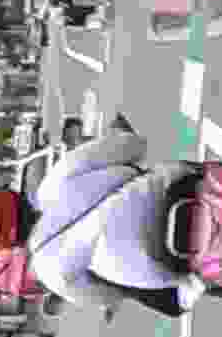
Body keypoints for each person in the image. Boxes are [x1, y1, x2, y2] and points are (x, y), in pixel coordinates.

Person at [20, 114, 190, 322]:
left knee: (167, 297)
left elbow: (108, 297)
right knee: (195, 173)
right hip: (166, 189)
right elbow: (133, 146)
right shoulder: (54, 180)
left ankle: (195, 287)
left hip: (160, 269)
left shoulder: (48, 271)